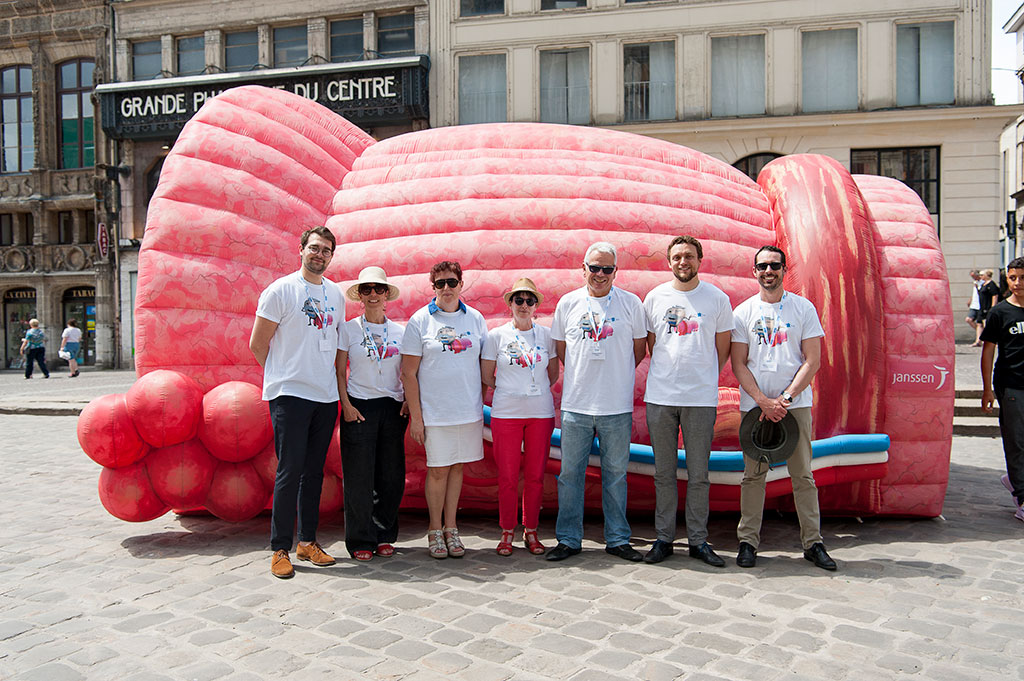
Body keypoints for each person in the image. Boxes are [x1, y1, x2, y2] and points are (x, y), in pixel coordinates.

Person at [730, 245, 837, 571]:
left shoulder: (803, 309)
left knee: (803, 475)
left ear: (784, 269)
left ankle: (813, 543)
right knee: (753, 476)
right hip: (755, 408)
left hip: (796, 406)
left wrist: (785, 399)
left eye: (774, 265)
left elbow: (813, 360)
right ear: (754, 271)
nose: (768, 271)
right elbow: (738, 363)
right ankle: (748, 542)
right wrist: (763, 401)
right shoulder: (743, 313)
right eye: (762, 266)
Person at [249, 226, 343, 579]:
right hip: (290, 395)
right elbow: (259, 345)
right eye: (314, 248)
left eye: (326, 250)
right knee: (288, 471)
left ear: (331, 256)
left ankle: (307, 542)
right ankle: (279, 548)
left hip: (324, 395)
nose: (319, 255)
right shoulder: (280, 291)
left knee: (313, 473)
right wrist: (284, 375)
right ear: (301, 249)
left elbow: (333, 345)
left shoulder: (336, 294)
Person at [546, 242, 648, 562]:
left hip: (616, 406)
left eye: (607, 269)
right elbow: (561, 348)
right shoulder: (568, 303)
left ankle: (617, 538)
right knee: (569, 475)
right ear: (583, 268)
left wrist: (614, 374)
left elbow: (639, 349)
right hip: (577, 404)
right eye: (594, 268)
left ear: (616, 271)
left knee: (615, 475)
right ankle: (568, 538)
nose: (600, 274)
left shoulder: (631, 304)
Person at [642, 236, 733, 566]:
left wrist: (702, 375)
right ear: (669, 262)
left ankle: (698, 540)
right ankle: (663, 537)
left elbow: (721, 350)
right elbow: (654, 346)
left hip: (700, 399)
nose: (684, 262)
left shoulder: (717, 299)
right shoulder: (654, 298)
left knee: (699, 475)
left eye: (689, 257)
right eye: (677, 257)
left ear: (700, 260)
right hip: (661, 397)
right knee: (663, 474)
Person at [401, 261, 488, 559]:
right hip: (435, 413)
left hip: (467, 411)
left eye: (452, 282)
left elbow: (483, 367)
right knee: (438, 470)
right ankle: (434, 529)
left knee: (458, 467)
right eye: (440, 284)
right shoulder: (419, 321)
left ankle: (452, 528)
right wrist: (417, 416)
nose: (447, 288)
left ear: (461, 284)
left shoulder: (476, 319)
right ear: (433, 287)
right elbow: (408, 373)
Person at [481, 278, 559, 556]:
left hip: (539, 412)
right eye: (519, 300)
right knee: (508, 476)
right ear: (510, 304)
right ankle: (506, 531)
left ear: (536, 305)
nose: (524, 305)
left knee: (536, 475)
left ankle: (532, 530)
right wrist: (510, 389)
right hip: (506, 412)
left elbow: (552, 374)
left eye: (530, 300)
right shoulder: (496, 336)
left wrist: (532, 391)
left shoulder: (547, 336)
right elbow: (486, 374)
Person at [338, 267, 408, 561]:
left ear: (386, 294)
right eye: (366, 289)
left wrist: (408, 401)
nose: (373, 294)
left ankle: (384, 534)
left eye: (378, 289)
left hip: (393, 407)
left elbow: (408, 371)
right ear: (360, 296)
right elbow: (339, 370)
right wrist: (347, 405)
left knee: (391, 476)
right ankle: (360, 539)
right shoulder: (349, 329)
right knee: (359, 477)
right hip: (359, 406)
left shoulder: (400, 332)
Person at [981, 256, 1024, 522]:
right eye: (1012, 277)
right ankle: (1022, 497)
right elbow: (988, 352)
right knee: (1017, 441)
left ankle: (1014, 479)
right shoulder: (1000, 313)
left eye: (1023, 278)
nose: (1018, 283)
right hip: (1011, 384)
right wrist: (987, 389)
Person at [966, 270, 983, 347]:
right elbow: (975, 293)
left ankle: (978, 340)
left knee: (980, 324)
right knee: (969, 319)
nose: (973, 278)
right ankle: (981, 334)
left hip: (981, 305)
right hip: (974, 304)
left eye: (973, 276)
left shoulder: (983, 282)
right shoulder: (975, 283)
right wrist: (970, 300)